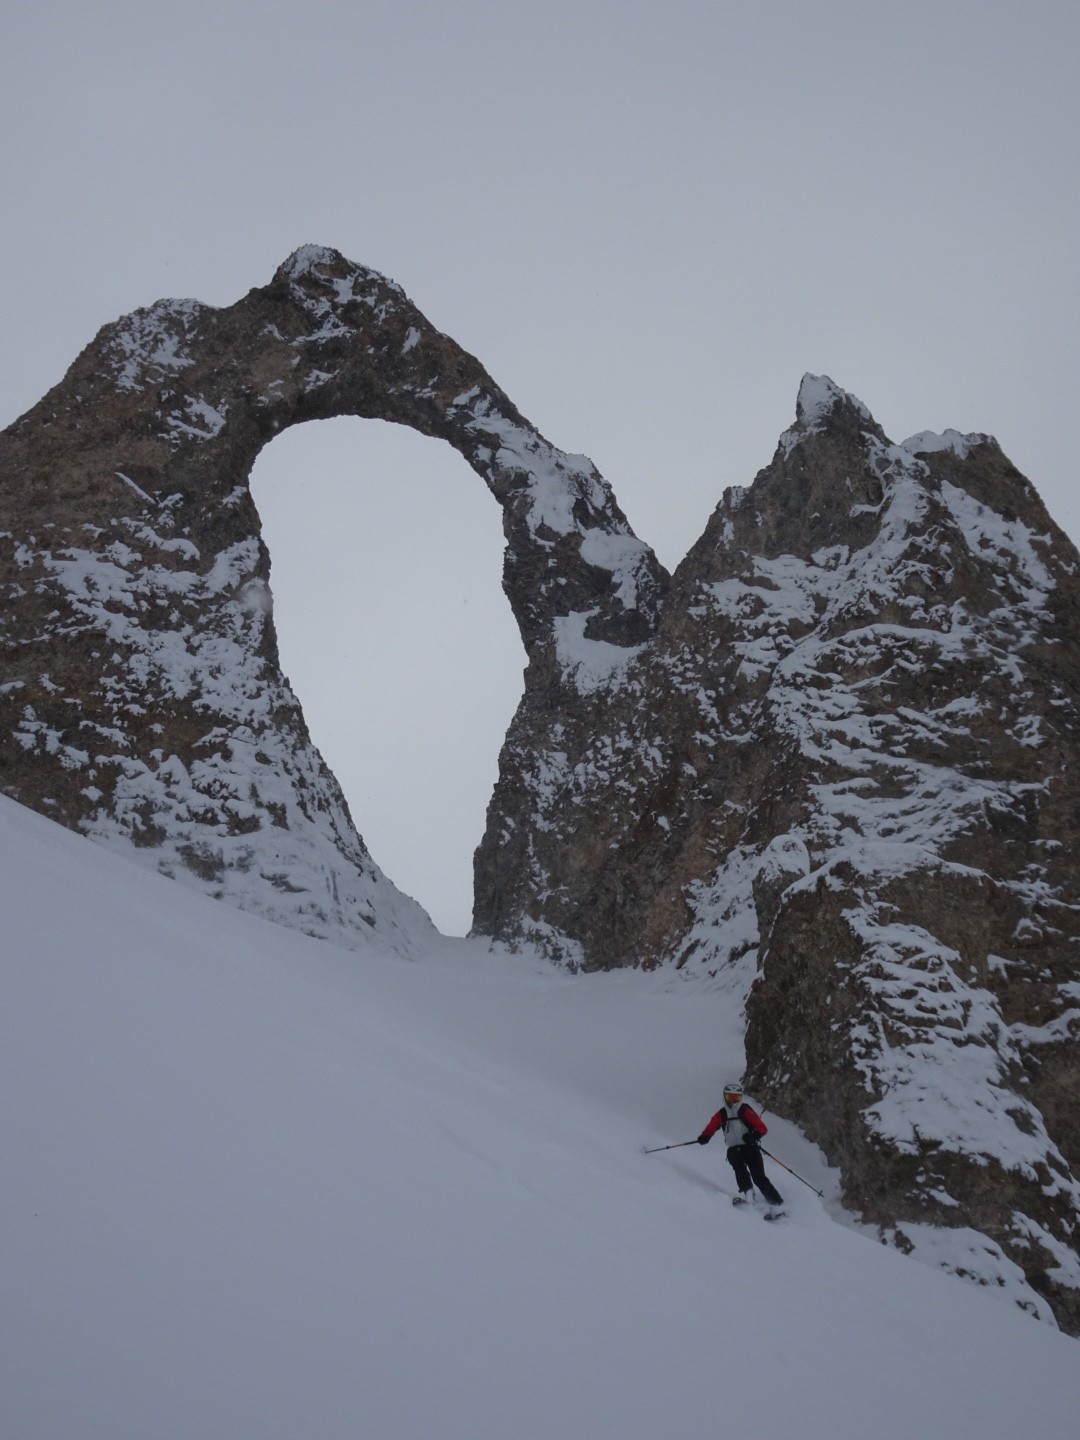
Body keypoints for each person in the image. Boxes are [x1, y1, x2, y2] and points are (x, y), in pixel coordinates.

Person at [697, 1082, 784, 1208]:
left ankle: (777, 1203)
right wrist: (705, 1136)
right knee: (739, 1168)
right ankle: (748, 1193)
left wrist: (752, 1136)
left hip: (750, 1148)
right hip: (734, 1149)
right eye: (730, 1097)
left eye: (736, 1098)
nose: (733, 1101)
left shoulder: (745, 1110)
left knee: (759, 1177)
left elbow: (762, 1128)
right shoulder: (722, 1114)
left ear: (740, 1098)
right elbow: (712, 1126)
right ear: (724, 1097)